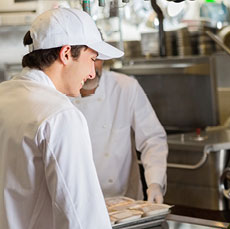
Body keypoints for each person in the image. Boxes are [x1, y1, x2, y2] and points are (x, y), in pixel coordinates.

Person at [0, 8, 125, 229]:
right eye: (91, 58)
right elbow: (81, 221)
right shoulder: (59, 115)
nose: (91, 73)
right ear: (66, 54)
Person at [72, 58, 168, 203]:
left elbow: (152, 139)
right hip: (80, 202)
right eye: (85, 60)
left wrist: (155, 183)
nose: (92, 69)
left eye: (95, 59)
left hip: (126, 202)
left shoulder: (125, 86)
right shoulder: (58, 93)